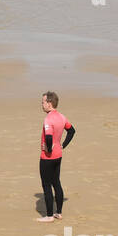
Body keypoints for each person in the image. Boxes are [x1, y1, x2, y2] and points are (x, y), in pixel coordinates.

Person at [36, 91, 76, 222]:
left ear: (49, 103)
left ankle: (48, 216)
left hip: (47, 157)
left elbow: (48, 136)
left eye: (43, 102)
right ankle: (58, 212)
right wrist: (62, 145)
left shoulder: (48, 119)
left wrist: (48, 148)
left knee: (46, 185)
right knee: (56, 183)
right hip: (58, 155)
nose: (41, 104)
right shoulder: (62, 117)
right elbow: (71, 131)